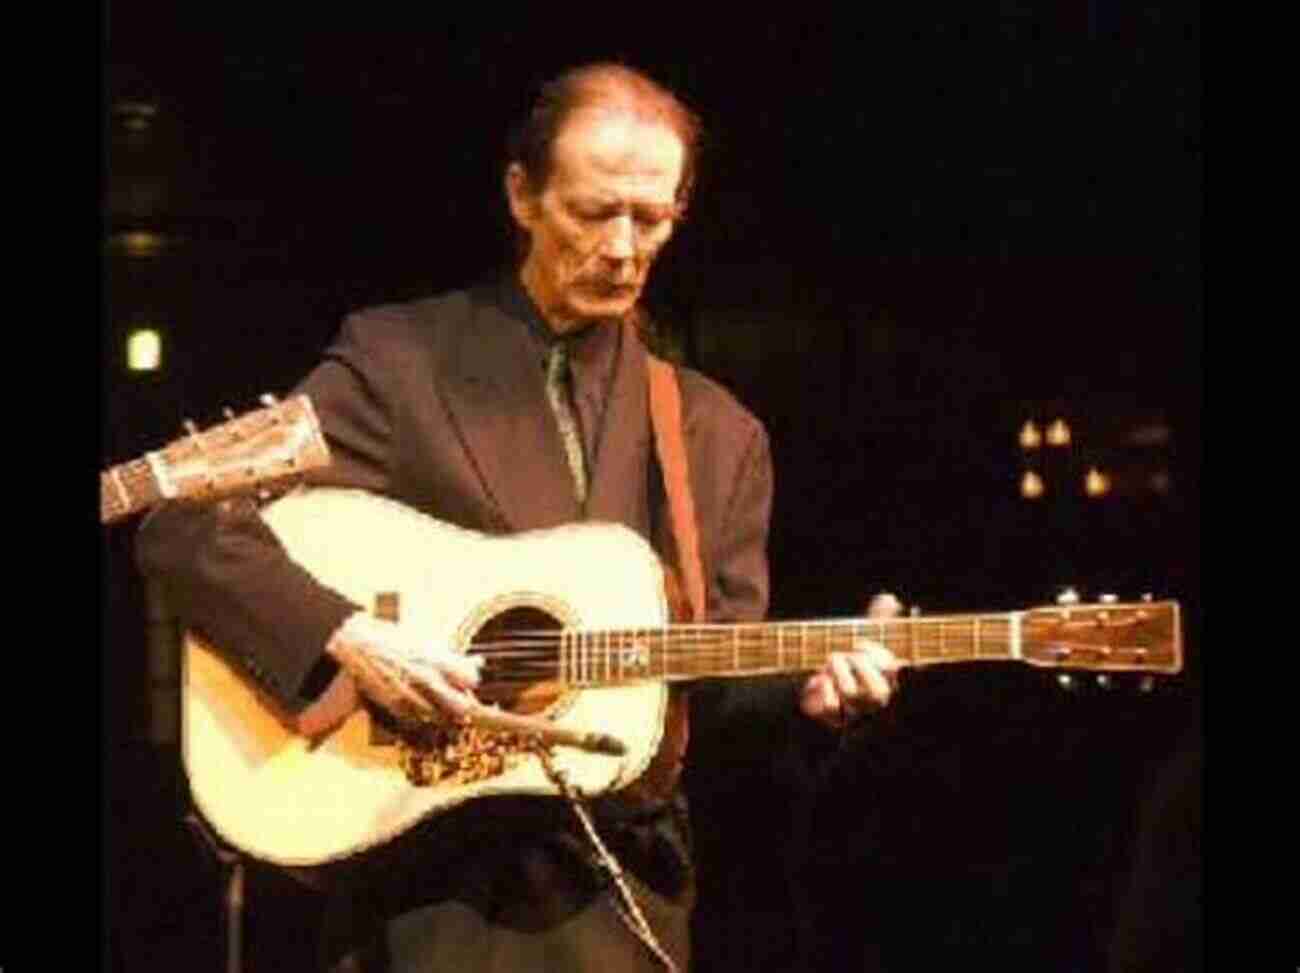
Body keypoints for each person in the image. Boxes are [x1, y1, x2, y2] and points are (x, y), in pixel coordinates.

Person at [136, 61, 900, 972]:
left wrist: (815, 696)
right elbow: (184, 521)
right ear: (522, 196)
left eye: (650, 218)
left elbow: (713, 683)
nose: (622, 247)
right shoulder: (397, 363)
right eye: (592, 212)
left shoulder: (718, 436)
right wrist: (343, 635)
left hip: (613, 898)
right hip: (417, 885)